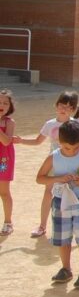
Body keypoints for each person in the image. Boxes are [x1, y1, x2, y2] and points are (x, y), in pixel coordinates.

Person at [35, 119, 79, 288]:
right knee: (63, 237)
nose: (72, 151)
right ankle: (66, 268)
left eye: (76, 147)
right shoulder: (54, 157)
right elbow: (39, 178)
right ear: (59, 141)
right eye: (67, 148)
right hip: (60, 200)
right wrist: (58, 179)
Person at [13, 90, 79, 239]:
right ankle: (42, 225)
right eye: (61, 105)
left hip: (74, 163)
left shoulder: (77, 124)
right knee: (49, 192)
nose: (64, 109)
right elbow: (37, 141)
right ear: (56, 105)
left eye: (68, 106)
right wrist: (21, 141)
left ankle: (74, 226)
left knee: (75, 193)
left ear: (74, 109)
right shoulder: (50, 124)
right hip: (54, 163)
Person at [0, 89, 14, 235]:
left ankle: (8, 222)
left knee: (4, 192)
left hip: (3, 159)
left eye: (5, 103)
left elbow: (6, 141)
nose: (2, 105)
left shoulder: (9, 122)